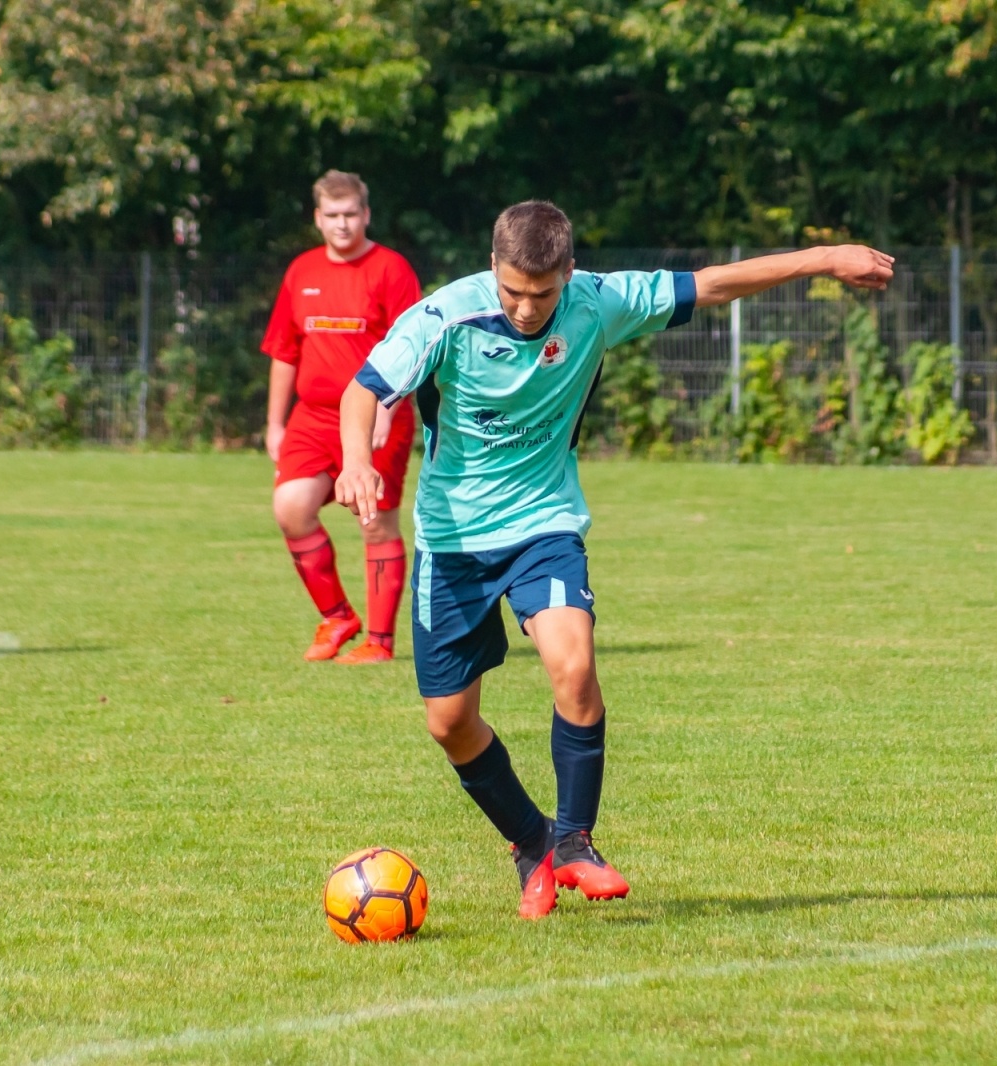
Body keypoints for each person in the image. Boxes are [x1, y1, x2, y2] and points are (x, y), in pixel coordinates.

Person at [337, 201, 893, 918]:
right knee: (448, 722)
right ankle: (531, 840)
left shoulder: (599, 301)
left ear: (568, 273)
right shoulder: (446, 316)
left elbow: (713, 284)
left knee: (574, 665)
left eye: (542, 294)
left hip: (545, 525)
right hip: (452, 541)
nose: (527, 308)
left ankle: (573, 842)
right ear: (493, 269)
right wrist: (355, 462)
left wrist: (826, 257)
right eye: (512, 291)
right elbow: (364, 389)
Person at [262, 170, 422, 663]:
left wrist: (388, 411)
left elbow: (414, 349)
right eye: (332, 215)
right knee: (291, 508)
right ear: (317, 218)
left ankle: (379, 642)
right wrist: (274, 423)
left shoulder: (392, 270)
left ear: (366, 214)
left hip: (376, 414)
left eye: (351, 213)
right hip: (312, 417)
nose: (343, 224)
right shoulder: (301, 271)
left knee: (374, 522)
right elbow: (284, 351)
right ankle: (337, 616)